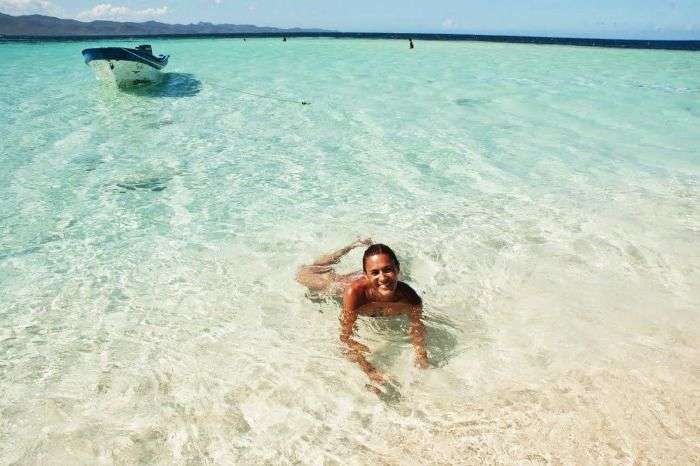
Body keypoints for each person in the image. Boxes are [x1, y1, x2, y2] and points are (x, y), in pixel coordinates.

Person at [297, 239, 429, 387]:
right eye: (375, 272)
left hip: (379, 283)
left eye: (388, 269)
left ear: (397, 268)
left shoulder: (410, 297)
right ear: (366, 275)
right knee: (304, 274)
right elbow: (346, 338)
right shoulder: (354, 293)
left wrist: (421, 355)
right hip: (343, 285)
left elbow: (417, 329)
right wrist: (370, 371)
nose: (383, 277)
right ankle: (351, 245)